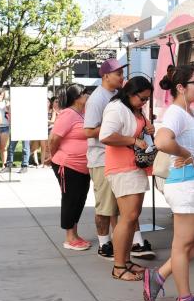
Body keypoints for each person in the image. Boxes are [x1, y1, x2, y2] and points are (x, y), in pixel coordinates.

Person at [145, 65, 194, 301]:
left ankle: (159, 275)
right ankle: (184, 299)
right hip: (186, 184)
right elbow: (162, 141)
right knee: (183, 244)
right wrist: (186, 154)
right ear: (180, 87)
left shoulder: (193, 113)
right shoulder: (176, 112)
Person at [84, 58, 154, 261]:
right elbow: (93, 132)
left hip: (129, 163)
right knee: (109, 208)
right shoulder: (101, 101)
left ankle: (131, 247)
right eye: (118, 74)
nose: (122, 78)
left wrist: (144, 127)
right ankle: (108, 247)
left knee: (128, 214)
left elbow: (135, 122)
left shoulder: (122, 100)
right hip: (105, 159)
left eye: (123, 74)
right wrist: (129, 137)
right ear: (105, 75)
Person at [99, 75, 155, 281]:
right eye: (142, 98)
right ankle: (119, 266)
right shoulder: (116, 108)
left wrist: (148, 129)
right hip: (122, 168)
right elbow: (105, 135)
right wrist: (133, 140)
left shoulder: (132, 109)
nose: (144, 102)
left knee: (132, 217)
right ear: (131, 94)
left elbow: (138, 130)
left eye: (147, 99)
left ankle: (126, 260)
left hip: (133, 167)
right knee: (128, 217)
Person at [48, 84, 93, 251]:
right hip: (67, 165)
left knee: (79, 199)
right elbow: (54, 139)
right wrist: (52, 156)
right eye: (83, 93)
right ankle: (69, 237)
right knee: (70, 199)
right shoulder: (68, 114)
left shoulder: (82, 114)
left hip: (83, 166)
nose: (87, 95)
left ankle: (74, 234)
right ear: (76, 97)